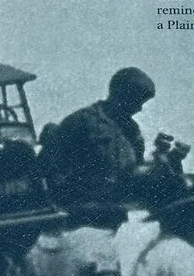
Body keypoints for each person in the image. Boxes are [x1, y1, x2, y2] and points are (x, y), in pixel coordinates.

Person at [40, 67, 155, 211]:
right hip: (82, 208)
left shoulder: (131, 129)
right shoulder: (82, 121)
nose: (139, 109)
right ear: (121, 95)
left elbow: (135, 166)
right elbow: (48, 166)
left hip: (121, 205)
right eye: (136, 101)